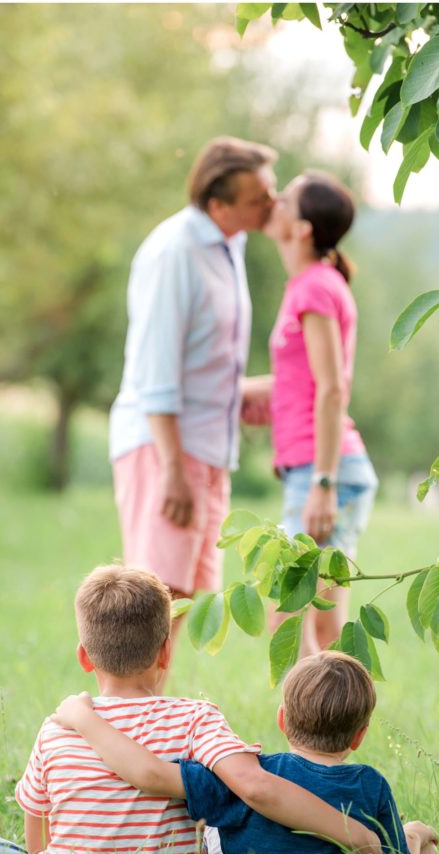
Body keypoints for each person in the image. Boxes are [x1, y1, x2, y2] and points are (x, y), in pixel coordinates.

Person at [0, 565, 382, 854]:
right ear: (165, 651)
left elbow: (38, 844)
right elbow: (254, 787)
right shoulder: (196, 718)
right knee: (219, 832)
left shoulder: (58, 727)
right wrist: (353, 832)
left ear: (85, 657)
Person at [51, 650, 439, 854]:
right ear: (360, 735)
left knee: (213, 832)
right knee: (421, 847)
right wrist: (415, 840)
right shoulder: (371, 786)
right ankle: (417, 837)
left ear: (282, 719)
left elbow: (150, 772)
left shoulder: (244, 777)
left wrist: (84, 719)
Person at [109, 137, 277, 686]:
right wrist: (173, 471)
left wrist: (243, 395)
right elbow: (157, 368)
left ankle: (147, 723)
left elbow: (203, 355)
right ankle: (116, 734)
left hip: (205, 447)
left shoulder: (229, 246)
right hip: (165, 450)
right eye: (259, 197)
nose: (271, 204)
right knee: (148, 606)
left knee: (178, 600)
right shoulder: (175, 251)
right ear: (218, 203)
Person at [241, 172, 378, 655]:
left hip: (326, 473)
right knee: (320, 624)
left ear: (302, 228)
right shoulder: (311, 284)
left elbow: (333, 388)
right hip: (321, 470)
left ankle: (319, 727)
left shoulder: (313, 289)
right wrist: (237, 393)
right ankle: (327, 727)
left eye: (286, 199)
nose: (274, 201)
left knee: (294, 616)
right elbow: (302, 382)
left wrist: (323, 480)